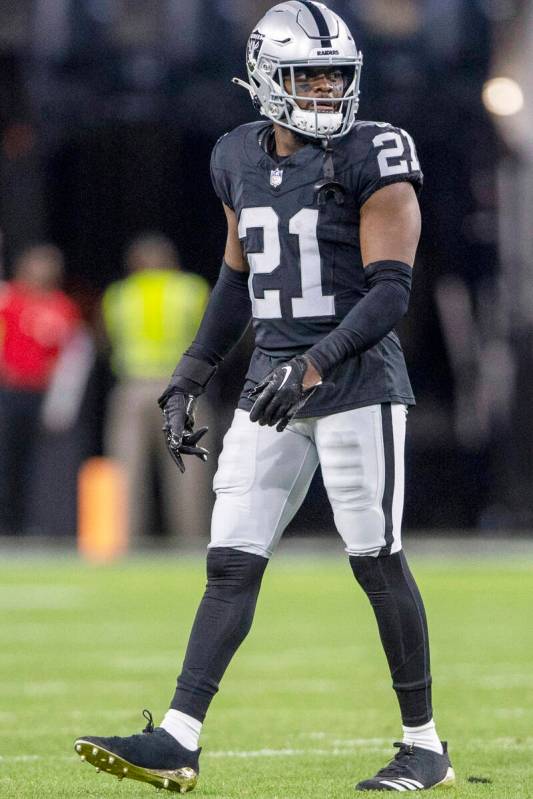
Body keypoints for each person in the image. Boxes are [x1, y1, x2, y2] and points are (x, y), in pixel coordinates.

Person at [75, 1, 455, 793]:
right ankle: (179, 738)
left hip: (353, 381)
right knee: (229, 561)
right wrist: (188, 375)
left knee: (375, 559)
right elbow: (235, 279)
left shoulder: (376, 151)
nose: (323, 88)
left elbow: (390, 293)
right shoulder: (234, 155)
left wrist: (312, 363)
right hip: (270, 381)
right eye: (305, 74)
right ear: (263, 80)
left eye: (333, 74)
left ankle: (424, 744)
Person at [101, 233, 212, 543]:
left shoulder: (120, 294)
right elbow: (213, 337)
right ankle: (191, 540)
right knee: (187, 467)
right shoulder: (190, 290)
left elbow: (107, 337)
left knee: (128, 469)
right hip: (181, 387)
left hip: (134, 386)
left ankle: (123, 541)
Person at [0, 243, 80, 534]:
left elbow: (71, 358)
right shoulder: (10, 298)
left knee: (39, 462)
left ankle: (33, 524)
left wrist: (62, 400)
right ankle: (6, 524)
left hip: (43, 394)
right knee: (6, 457)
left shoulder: (62, 306)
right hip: (10, 391)